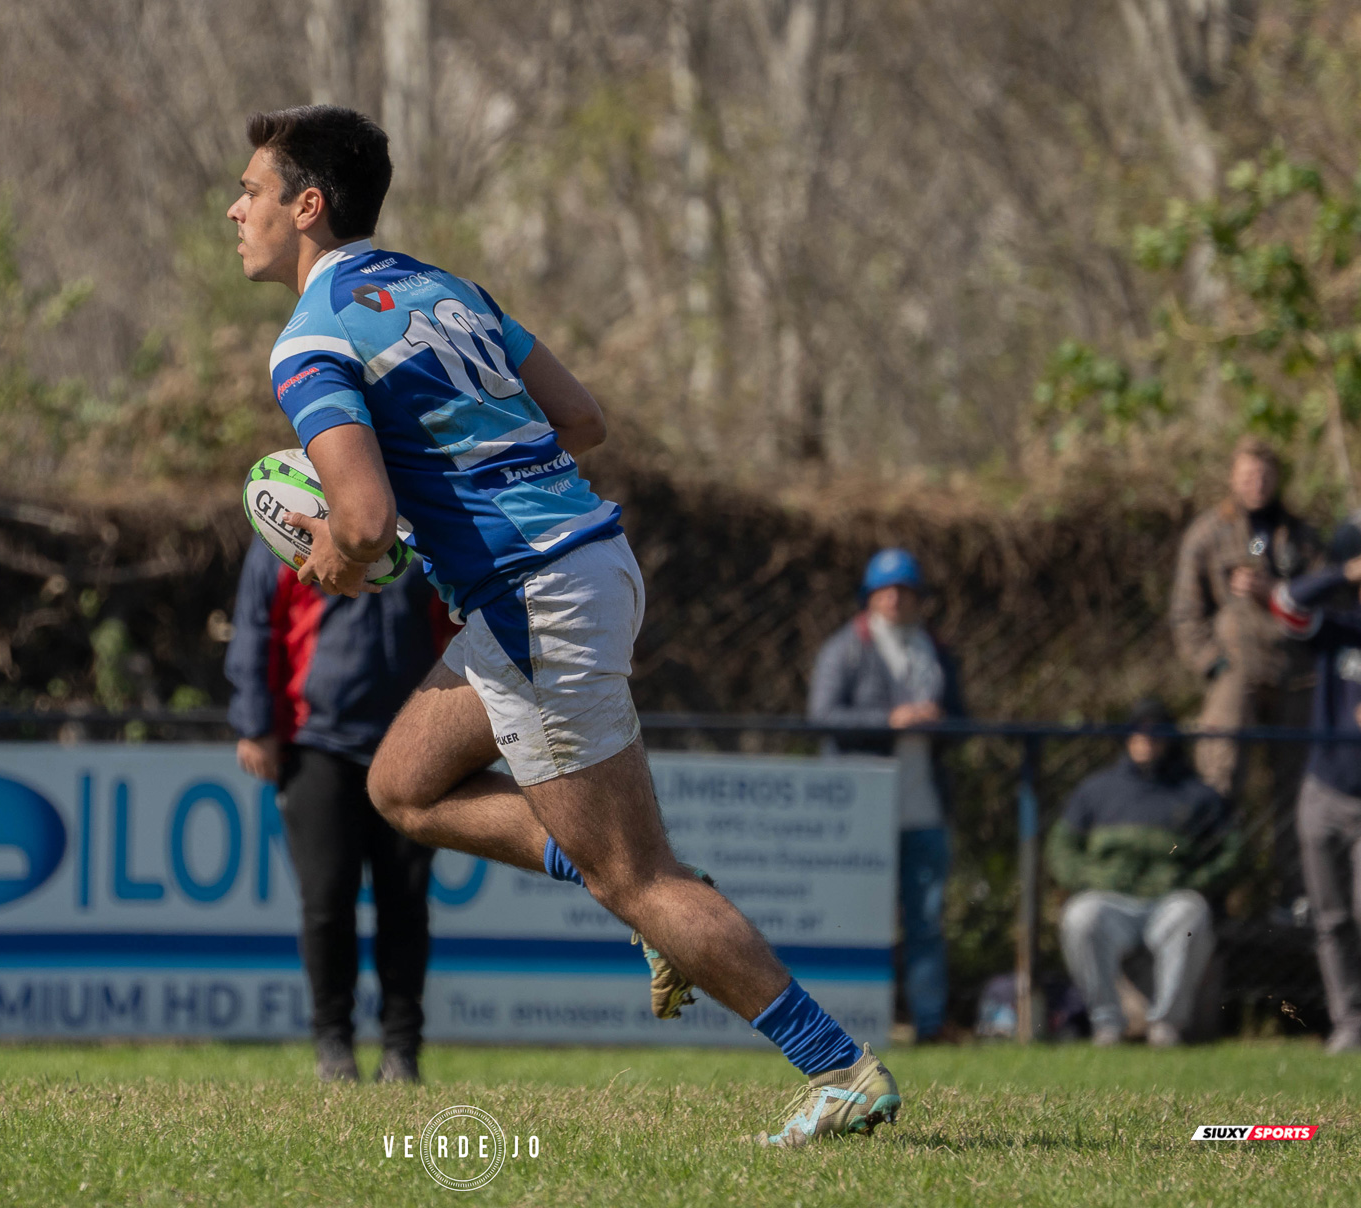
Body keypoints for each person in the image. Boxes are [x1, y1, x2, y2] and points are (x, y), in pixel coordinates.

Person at [228, 104, 899, 1144]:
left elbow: (360, 522)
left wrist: (337, 552)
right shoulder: (444, 289)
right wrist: (462, 472)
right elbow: (583, 420)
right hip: (586, 560)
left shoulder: (310, 340)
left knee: (638, 876)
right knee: (402, 784)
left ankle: (838, 1064)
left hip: (532, 591)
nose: (237, 209)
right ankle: (627, 879)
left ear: (307, 205)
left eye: (253, 190)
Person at [225, 535, 455, 1083]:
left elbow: (459, 622)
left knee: (406, 903)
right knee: (326, 902)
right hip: (316, 744)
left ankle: (402, 1050)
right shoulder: (288, 517)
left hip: (412, 742)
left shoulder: (424, 523)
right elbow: (257, 625)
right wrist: (256, 724)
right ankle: (334, 1047)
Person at [809, 548, 966, 1043]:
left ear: (919, 597)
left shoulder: (933, 649)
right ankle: (844, 1024)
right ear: (870, 596)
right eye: (886, 588)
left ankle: (928, 1022)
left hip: (923, 805)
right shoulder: (846, 648)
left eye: (906, 589)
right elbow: (823, 716)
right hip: (861, 809)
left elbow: (964, 718)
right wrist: (890, 721)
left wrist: (942, 723)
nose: (896, 598)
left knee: (926, 920)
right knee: (851, 920)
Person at [1170, 436, 1320, 897]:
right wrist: (1213, 665)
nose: (1257, 484)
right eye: (1248, 475)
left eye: (1266, 475)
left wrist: (1274, 591)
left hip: (1296, 676)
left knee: (1296, 790)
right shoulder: (1209, 532)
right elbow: (1184, 612)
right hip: (1235, 673)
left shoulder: (1300, 535)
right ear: (1232, 478)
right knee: (1219, 776)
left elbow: (1326, 602)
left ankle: (1294, 895)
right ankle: (1208, 894)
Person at [1046, 700, 1238, 1048]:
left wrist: (1193, 881)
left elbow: (1232, 852)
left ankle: (1166, 1026)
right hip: (1110, 900)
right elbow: (1061, 849)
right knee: (1079, 916)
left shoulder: (1197, 795)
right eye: (1137, 731)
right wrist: (1088, 879)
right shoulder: (1097, 790)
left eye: (1155, 732)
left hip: (1169, 901)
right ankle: (1107, 1023)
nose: (1145, 740)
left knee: (1192, 912)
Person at [1268, 522, 1361, 1053]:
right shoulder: (1338, 626)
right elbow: (1285, 603)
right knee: (1331, 918)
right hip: (1324, 790)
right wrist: (1342, 571)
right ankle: (1349, 1023)